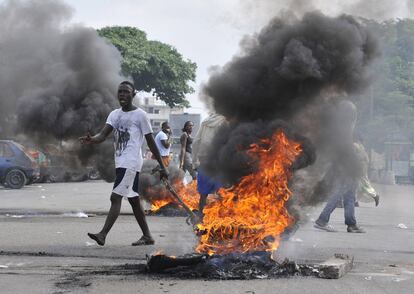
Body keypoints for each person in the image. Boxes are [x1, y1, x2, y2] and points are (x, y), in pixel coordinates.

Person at [79, 81, 168, 246]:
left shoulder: (140, 115)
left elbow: (150, 142)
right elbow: (103, 135)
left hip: (131, 162)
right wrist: (92, 140)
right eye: (120, 92)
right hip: (120, 161)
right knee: (134, 200)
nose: (122, 94)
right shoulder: (114, 114)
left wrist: (162, 165)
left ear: (133, 94)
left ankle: (103, 234)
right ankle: (147, 236)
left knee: (115, 197)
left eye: (126, 92)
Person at [314, 100, 365, 233]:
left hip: (343, 167)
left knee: (349, 195)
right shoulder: (344, 129)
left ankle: (351, 224)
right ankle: (322, 220)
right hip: (344, 168)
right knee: (338, 194)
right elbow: (344, 149)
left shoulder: (340, 127)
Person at [192, 113, 226, 214]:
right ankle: (221, 216)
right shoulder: (223, 122)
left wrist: (194, 162)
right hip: (217, 160)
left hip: (203, 160)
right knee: (220, 191)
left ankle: (200, 215)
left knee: (203, 193)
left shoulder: (205, 122)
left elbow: (195, 142)